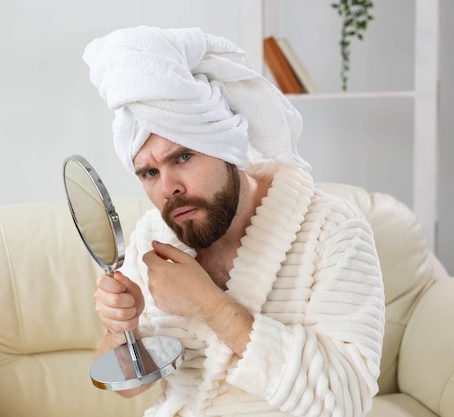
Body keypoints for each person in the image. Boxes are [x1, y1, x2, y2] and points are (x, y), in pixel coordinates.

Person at [83, 26, 385, 417]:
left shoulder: (333, 231)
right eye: (149, 173)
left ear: (225, 146)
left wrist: (210, 305)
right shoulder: (153, 239)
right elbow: (129, 390)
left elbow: (344, 401)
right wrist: (121, 327)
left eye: (182, 157)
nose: (169, 188)